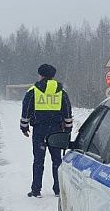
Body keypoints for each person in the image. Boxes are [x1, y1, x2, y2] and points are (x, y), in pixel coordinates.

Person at [20, 64, 73, 198]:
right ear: (53, 75)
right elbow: (67, 111)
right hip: (56, 130)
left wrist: (24, 127)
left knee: (38, 160)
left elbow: (26, 110)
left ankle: (36, 190)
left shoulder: (33, 90)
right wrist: (67, 129)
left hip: (39, 131)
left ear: (40, 75)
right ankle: (58, 189)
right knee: (57, 160)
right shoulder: (61, 91)